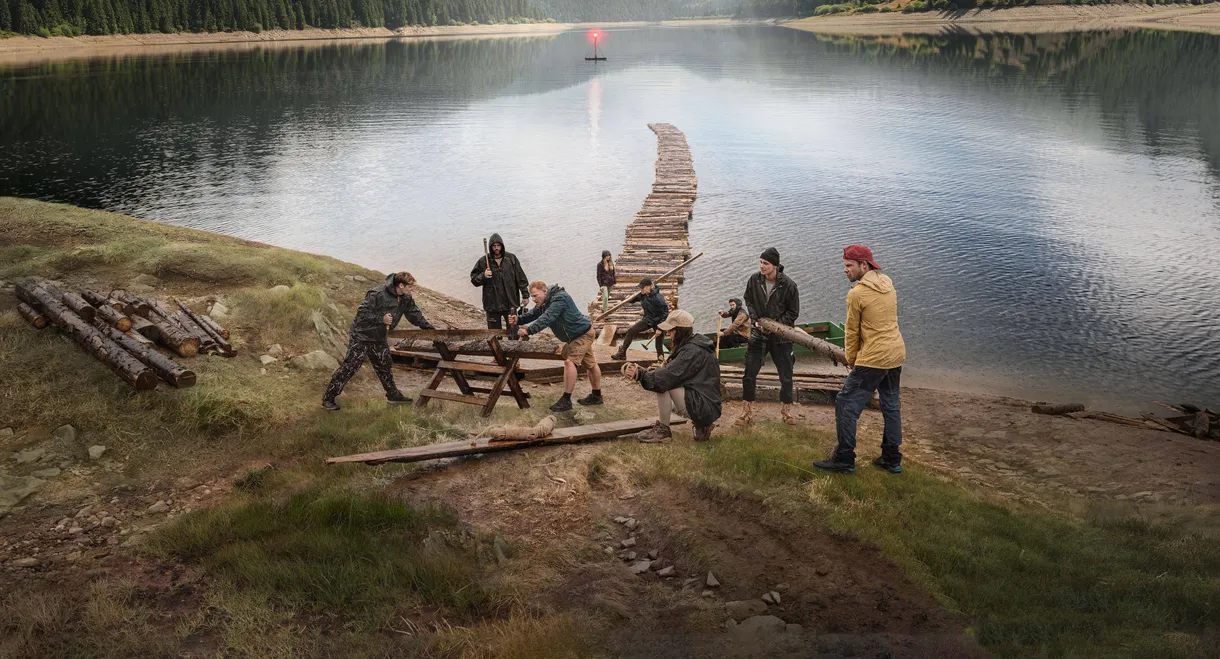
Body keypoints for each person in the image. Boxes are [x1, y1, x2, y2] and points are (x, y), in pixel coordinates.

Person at [814, 245, 906, 475]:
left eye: (849, 266)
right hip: (895, 352)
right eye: (844, 265)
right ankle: (892, 458)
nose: (845, 270)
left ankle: (844, 458)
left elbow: (852, 332)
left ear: (864, 265)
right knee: (891, 403)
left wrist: (851, 359)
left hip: (874, 357)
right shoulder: (888, 283)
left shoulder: (857, 294)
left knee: (846, 403)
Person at [322, 272, 433, 411]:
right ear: (401, 285)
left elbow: (415, 315)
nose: (413, 290)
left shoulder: (406, 298)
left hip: (379, 337)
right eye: (410, 287)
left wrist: (431, 330)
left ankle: (393, 396)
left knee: (385, 365)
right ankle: (328, 399)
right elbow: (362, 313)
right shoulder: (377, 293)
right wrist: (382, 319)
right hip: (361, 336)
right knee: (350, 367)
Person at [625, 310, 721, 443]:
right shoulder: (695, 344)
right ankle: (702, 426)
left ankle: (664, 431)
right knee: (666, 381)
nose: (667, 333)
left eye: (670, 330)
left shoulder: (691, 351)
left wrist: (640, 375)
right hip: (708, 402)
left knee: (663, 385)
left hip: (704, 406)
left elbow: (666, 377)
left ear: (680, 331)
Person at [511, 281, 603, 412]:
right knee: (591, 364)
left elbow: (548, 317)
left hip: (582, 335)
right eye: (532, 296)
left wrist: (529, 330)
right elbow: (534, 314)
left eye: (535, 295)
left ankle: (566, 400)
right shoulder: (545, 302)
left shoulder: (560, 298)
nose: (533, 299)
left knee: (569, 362)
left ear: (544, 291)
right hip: (575, 336)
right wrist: (518, 320)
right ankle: (596, 396)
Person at [735, 248, 800, 428]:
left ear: (776, 266)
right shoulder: (754, 280)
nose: (762, 266)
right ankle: (746, 413)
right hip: (758, 335)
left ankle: (786, 412)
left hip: (782, 337)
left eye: (766, 263)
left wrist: (775, 325)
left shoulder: (789, 285)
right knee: (749, 374)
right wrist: (756, 319)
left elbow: (793, 313)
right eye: (761, 262)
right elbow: (748, 300)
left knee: (786, 376)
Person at [470, 233, 530, 330]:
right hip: (492, 305)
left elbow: (521, 279)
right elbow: (474, 280)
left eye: (498, 245)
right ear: (490, 247)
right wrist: (483, 276)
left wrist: (525, 295)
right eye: (494, 246)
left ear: (502, 246)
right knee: (495, 334)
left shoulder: (511, 258)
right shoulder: (483, 261)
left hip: (510, 303)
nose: (496, 248)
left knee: (514, 333)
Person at [612, 278, 670, 362]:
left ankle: (661, 362)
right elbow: (633, 300)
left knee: (658, 345)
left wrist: (660, 329)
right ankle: (622, 353)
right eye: (640, 288)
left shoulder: (658, 298)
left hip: (659, 322)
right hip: (648, 319)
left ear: (649, 287)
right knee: (631, 331)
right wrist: (628, 298)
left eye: (642, 287)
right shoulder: (642, 295)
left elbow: (665, 313)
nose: (641, 289)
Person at [596, 250, 617, 314]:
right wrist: (600, 285)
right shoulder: (600, 264)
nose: (608, 257)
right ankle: (605, 311)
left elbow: (613, 273)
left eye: (609, 256)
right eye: (607, 256)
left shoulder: (611, 263)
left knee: (607, 297)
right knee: (605, 297)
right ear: (603, 256)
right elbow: (598, 276)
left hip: (610, 283)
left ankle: (603, 309)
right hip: (604, 283)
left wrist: (614, 281)